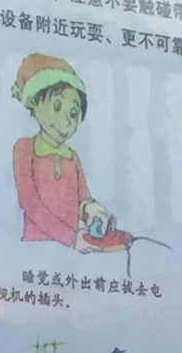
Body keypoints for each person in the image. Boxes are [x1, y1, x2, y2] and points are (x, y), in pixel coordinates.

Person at [12, 55, 133, 255]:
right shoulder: (24, 149)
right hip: (36, 246)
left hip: (73, 246)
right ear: (34, 102)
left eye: (74, 113)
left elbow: (82, 198)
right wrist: (69, 238)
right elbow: (30, 203)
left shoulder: (72, 157)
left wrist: (91, 209)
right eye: (57, 107)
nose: (66, 121)